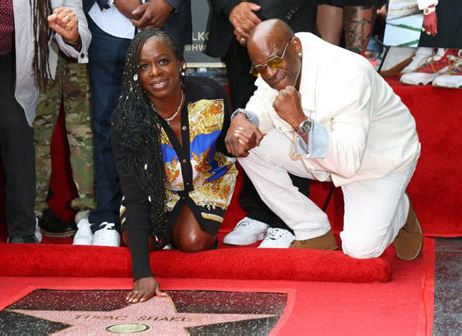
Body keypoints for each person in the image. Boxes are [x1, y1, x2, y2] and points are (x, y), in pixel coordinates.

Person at [225, 19, 423, 261]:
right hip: (322, 149)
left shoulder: (350, 74)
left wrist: (300, 122)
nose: (270, 73)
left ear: (296, 46)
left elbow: (348, 163)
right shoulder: (279, 56)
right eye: (259, 68)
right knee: (249, 144)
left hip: (378, 161)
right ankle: (312, 229)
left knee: (360, 250)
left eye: (274, 62)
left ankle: (400, 209)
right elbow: (262, 100)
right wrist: (245, 119)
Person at [111, 29, 237, 302]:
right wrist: (142, 273)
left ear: (179, 62)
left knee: (192, 242)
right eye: (144, 66)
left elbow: (229, 147)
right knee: (138, 241)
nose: (155, 72)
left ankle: (186, 226)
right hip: (156, 191)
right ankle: (169, 229)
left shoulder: (210, 94)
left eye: (163, 61)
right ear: (136, 74)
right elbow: (134, 195)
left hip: (206, 181)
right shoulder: (127, 118)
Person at [73, 0, 192, 247]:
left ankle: (166, 215)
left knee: (167, 120)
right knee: (107, 124)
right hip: (109, 25)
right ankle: (107, 217)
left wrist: (167, 3)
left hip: (166, 22)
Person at [206, 0, 318, 248]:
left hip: (287, 20)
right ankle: (258, 211)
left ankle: (289, 220)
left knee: (291, 114)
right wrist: (233, 8)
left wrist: (264, 19)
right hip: (236, 31)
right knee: (250, 122)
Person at [0, 0, 90, 243]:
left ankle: (22, 233)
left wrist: (73, 33)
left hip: (5, 60)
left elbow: (75, 17)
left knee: (15, 127)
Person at [35, 10, 94, 238]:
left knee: (84, 130)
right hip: (35, 41)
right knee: (35, 128)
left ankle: (90, 216)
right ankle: (33, 212)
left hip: (83, 31)